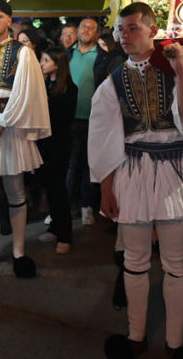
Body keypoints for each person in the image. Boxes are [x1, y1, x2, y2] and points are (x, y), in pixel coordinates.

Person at [90, 2, 183, 359]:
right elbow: (102, 138)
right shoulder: (113, 81)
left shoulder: (181, 69)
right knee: (134, 260)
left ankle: (175, 344)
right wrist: (106, 188)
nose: (124, 35)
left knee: (176, 262)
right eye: (120, 29)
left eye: (132, 28)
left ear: (153, 30)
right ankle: (136, 336)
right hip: (132, 170)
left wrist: (180, 72)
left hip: (173, 168)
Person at [0, 0, 50, 278]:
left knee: (15, 190)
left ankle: (18, 251)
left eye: (0, 16)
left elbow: (28, 92)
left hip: (11, 126)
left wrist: (3, 122)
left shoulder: (24, 53)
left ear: (9, 21)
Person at [67, 17, 109, 225]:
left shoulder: (103, 57)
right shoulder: (67, 53)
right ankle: (64, 208)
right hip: (68, 117)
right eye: (83, 27)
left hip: (93, 118)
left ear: (97, 33)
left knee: (89, 164)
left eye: (91, 28)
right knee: (69, 163)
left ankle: (87, 206)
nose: (86, 30)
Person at [37, 46, 77, 253]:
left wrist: (45, 104)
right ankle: (54, 227)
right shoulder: (44, 84)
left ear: (57, 64)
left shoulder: (69, 88)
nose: (41, 64)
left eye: (46, 60)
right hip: (43, 142)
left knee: (59, 188)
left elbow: (61, 117)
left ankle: (65, 235)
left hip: (59, 144)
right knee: (49, 187)